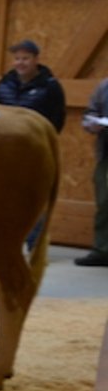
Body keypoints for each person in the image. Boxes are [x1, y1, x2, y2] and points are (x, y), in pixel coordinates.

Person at [0, 39, 66, 253]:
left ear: (35, 60)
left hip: (35, 151)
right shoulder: (4, 83)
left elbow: (57, 119)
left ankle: (35, 244)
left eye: (25, 58)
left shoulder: (50, 86)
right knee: (2, 195)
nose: (20, 63)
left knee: (34, 197)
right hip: (3, 150)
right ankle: (2, 239)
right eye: (17, 58)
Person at [76, 76, 108, 267]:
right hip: (106, 156)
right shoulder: (104, 87)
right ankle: (102, 250)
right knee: (104, 202)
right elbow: (90, 113)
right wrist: (92, 123)